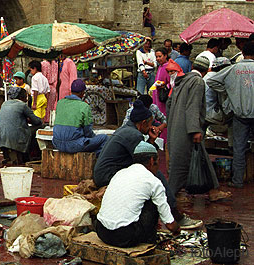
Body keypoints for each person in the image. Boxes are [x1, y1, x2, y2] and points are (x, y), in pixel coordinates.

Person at [94, 99, 202, 230]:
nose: (151, 127)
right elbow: (147, 162)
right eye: (150, 124)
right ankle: (175, 215)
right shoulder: (133, 135)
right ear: (143, 123)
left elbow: (144, 157)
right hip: (107, 175)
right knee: (157, 176)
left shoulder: (126, 129)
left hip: (106, 172)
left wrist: (151, 140)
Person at [166, 56, 228, 201]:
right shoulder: (198, 81)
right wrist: (195, 130)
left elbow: (169, 104)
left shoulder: (182, 81)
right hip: (187, 129)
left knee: (201, 157)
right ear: (207, 70)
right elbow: (193, 106)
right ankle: (171, 194)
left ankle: (213, 190)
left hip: (177, 126)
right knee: (181, 163)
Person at [96, 141, 180, 247]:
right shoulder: (153, 181)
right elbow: (170, 224)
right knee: (153, 202)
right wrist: (177, 228)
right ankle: (149, 242)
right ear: (152, 160)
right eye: (158, 161)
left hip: (102, 231)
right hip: (124, 237)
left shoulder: (120, 173)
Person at [206, 41, 254, 188]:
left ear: (243, 53)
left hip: (239, 115)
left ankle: (237, 181)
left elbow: (212, 81)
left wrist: (229, 91)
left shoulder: (233, 69)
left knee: (239, 148)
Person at [52, 79, 107, 155]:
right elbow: (88, 132)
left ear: (71, 91)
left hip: (57, 143)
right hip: (74, 145)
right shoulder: (84, 106)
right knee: (104, 138)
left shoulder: (60, 103)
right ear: (82, 93)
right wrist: (92, 138)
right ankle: (96, 161)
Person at [0, 86, 43, 164]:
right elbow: (37, 121)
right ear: (21, 97)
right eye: (26, 96)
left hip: (1, 136)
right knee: (39, 128)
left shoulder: (4, 104)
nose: (27, 99)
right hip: (15, 136)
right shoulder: (22, 105)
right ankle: (32, 155)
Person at [151, 48, 170, 119]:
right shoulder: (160, 67)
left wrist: (164, 86)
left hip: (163, 95)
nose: (158, 59)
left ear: (165, 56)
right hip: (157, 95)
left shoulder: (168, 67)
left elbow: (171, 83)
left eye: (160, 56)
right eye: (156, 57)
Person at [41, 59, 58, 123]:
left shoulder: (43, 64)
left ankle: (46, 120)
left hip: (47, 87)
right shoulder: (55, 64)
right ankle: (50, 120)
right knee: (51, 105)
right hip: (53, 87)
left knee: (46, 105)